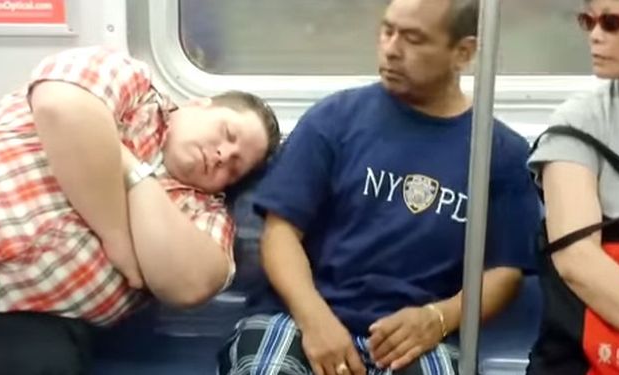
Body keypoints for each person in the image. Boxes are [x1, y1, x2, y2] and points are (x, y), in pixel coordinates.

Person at [0, 46, 281, 375]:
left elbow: (190, 284)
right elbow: (62, 106)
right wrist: (116, 236)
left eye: (234, 167)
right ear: (200, 104)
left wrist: (134, 172)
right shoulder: (133, 87)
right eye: (228, 135)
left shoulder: (207, 215)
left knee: (44, 364)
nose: (222, 156)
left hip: (16, 318)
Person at [217, 0, 542, 374]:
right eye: (387, 31)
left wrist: (439, 318)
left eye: (414, 39)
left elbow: (505, 272)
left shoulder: (499, 153)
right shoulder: (335, 120)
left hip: (414, 331)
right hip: (301, 314)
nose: (391, 49)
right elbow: (280, 233)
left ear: (463, 53)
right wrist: (315, 321)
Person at [527, 0, 619, 373]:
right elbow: (577, 262)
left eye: (612, 22)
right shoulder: (578, 125)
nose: (595, 36)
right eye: (589, 21)